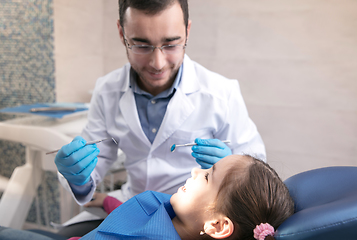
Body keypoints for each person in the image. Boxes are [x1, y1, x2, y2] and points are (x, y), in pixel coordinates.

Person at [54, 0, 266, 234]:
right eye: (141, 45)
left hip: (188, 223)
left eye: (171, 44)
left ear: (187, 31)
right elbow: (93, 169)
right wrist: (77, 175)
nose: (158, 63)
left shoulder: (221, 94)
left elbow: (257, 172)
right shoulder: (107, 90)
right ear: (121, 32)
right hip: (131, 206)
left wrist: (231, 165)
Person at [0, 155, 294, 240]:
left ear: (218, 225)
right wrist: (105, 201)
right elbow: (135, 214)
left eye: (208, 175)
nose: (195, 169)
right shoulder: (175, 214)